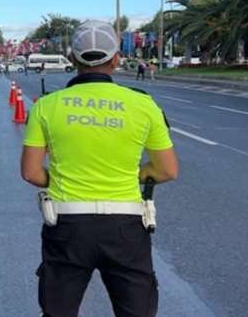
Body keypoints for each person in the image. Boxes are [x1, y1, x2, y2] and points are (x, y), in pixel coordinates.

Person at [20, 20, 179, 317]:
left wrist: (69, 178)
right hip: (126, 229)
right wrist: (132, 175)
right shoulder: (144, 105)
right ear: (116, 59)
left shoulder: (47, 105)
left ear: (72, 59)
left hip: (67, 226)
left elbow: (30, 172)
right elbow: (167, 170)